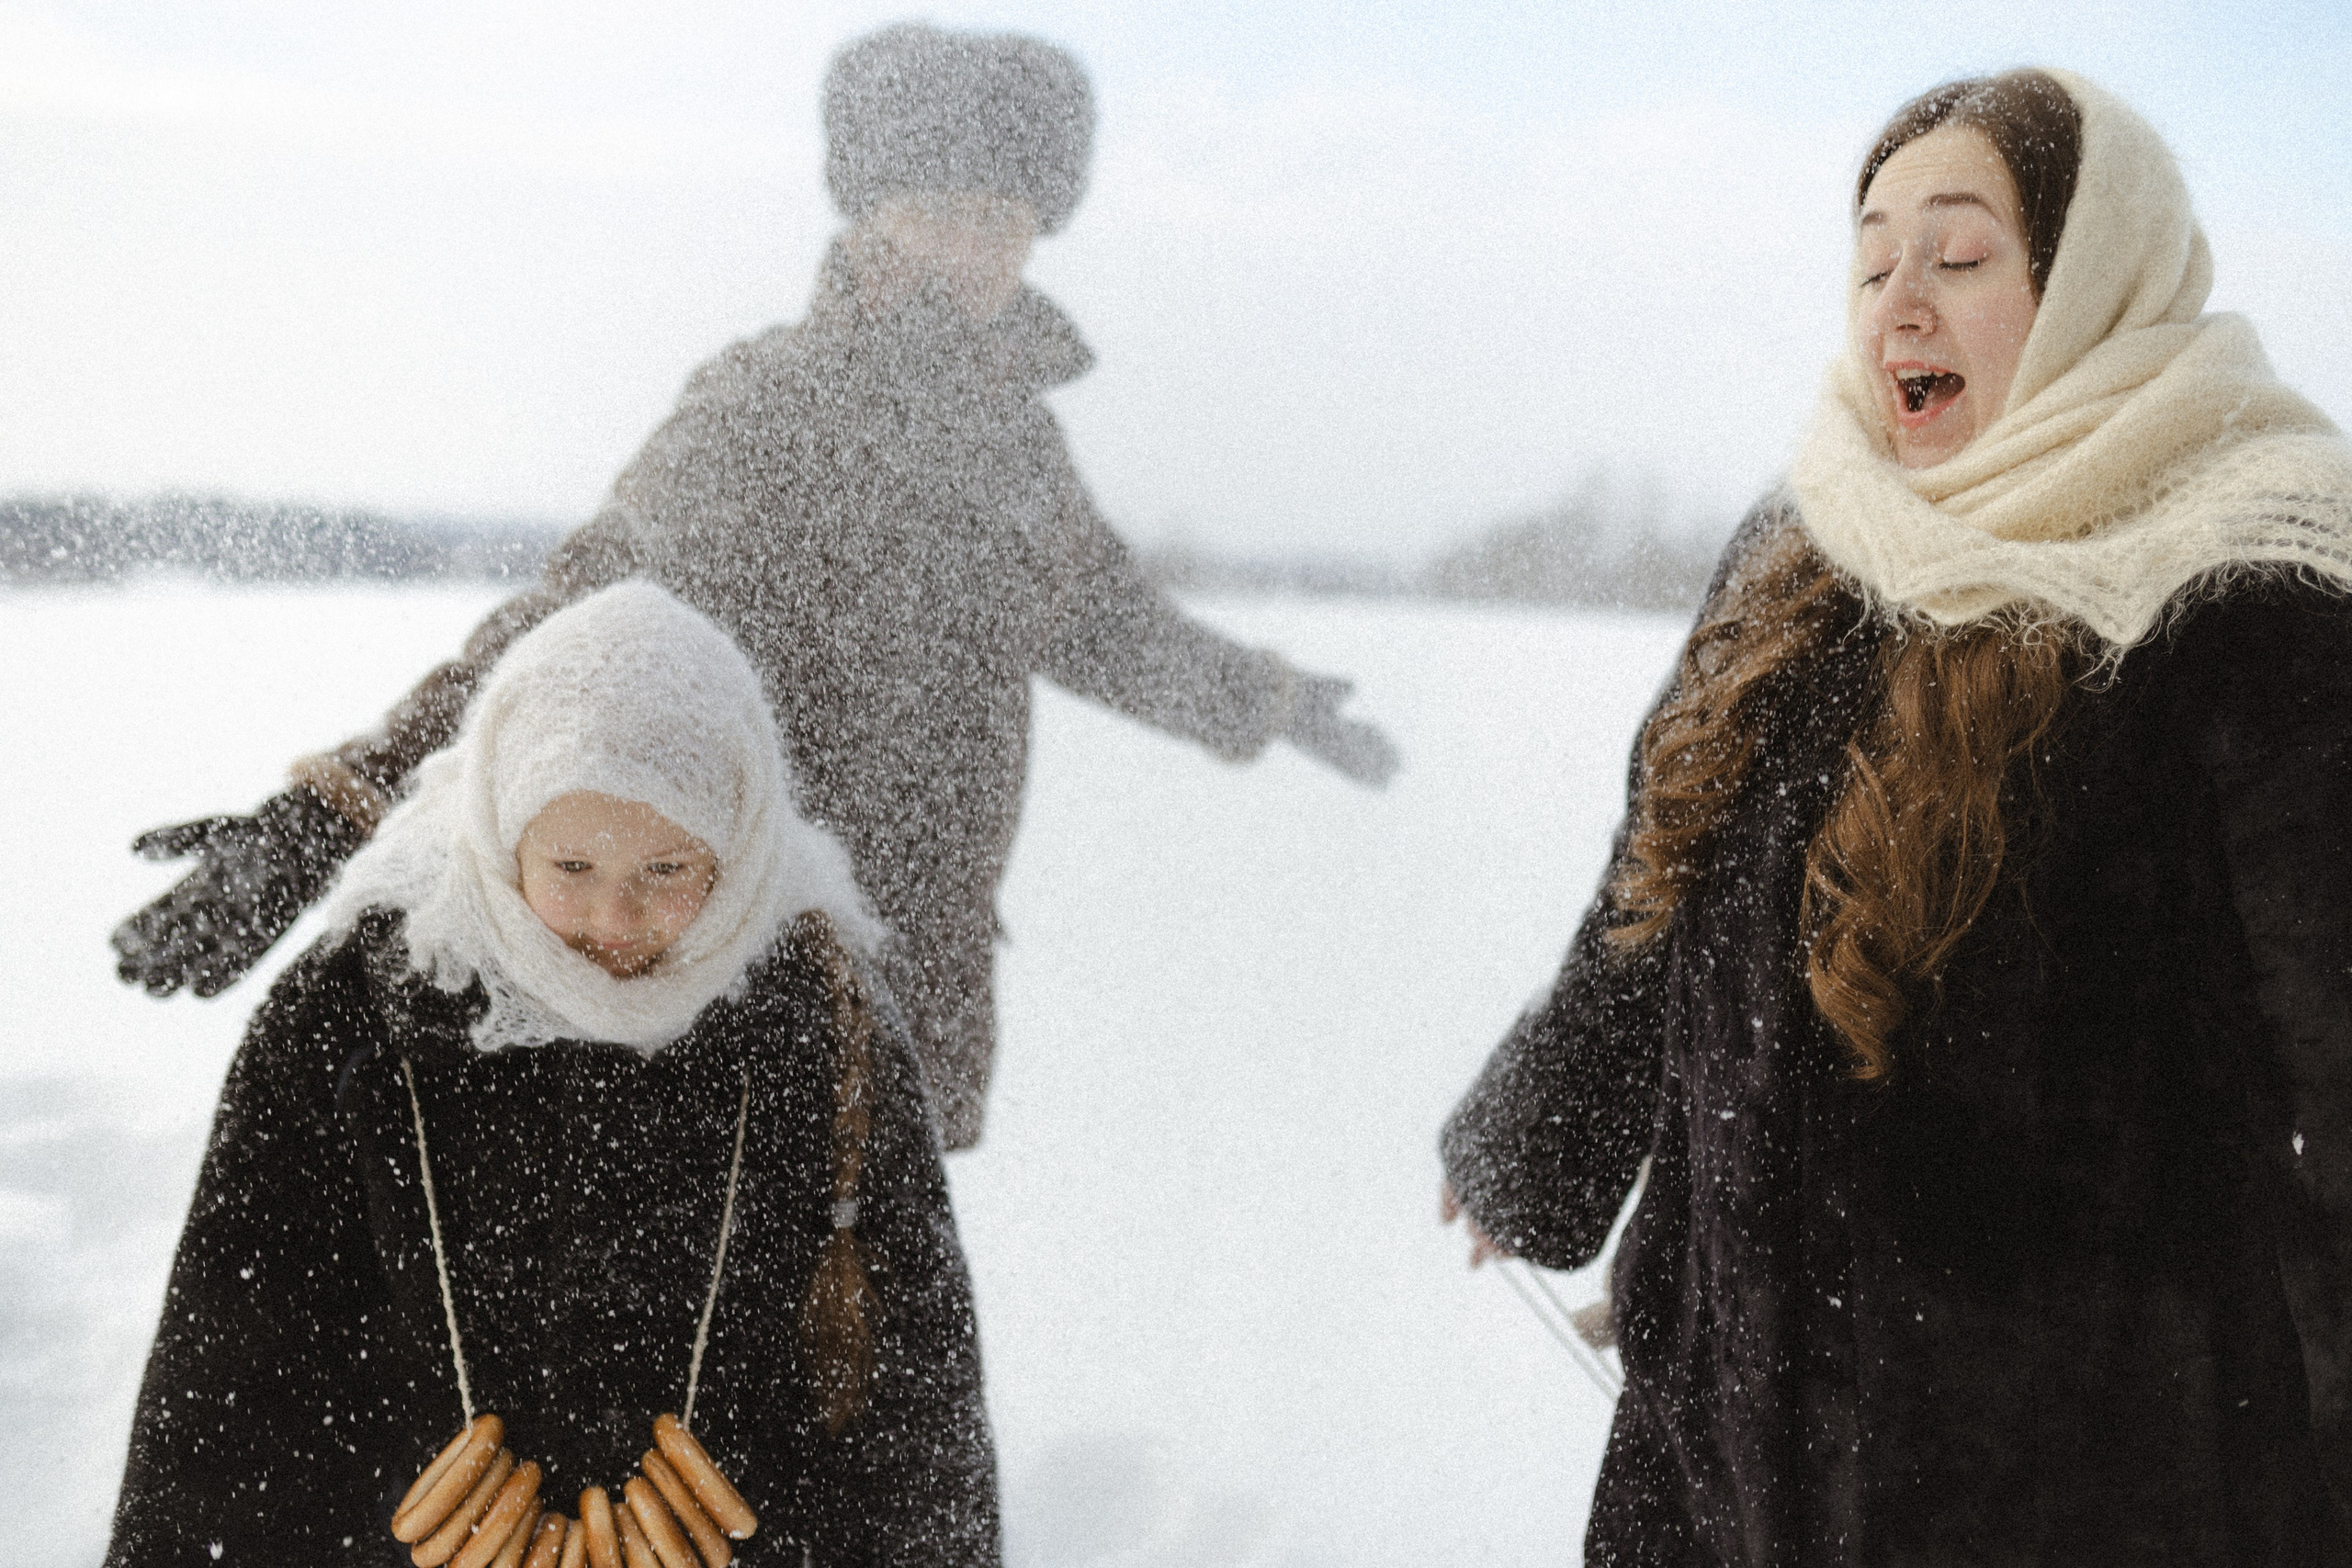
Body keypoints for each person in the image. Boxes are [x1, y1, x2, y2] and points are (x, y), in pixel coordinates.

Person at [107, 21, 1398, 1151]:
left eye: (1003, 217)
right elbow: (568, 628)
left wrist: (1267, 699)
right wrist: (335, 809)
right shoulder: (772, 407)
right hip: (736, 967)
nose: (973, 249)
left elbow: (1103, 618)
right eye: (938, 210)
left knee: (871, 1358)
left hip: (919, 974)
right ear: (867, 214)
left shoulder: (1017, 446)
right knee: (729, 1359)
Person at [1440, 69, 2352, 1562]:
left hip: (2082, 1480)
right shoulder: (1812, 537)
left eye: (1961, 253)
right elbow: (1660, 875)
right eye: (1873, 260)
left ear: (2089, 282)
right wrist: (1547, 1136)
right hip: (1724, 1437)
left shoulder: (2255, 586)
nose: (1899, 304)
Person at [107, 583, 1001, 1567]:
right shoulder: (355, 1012)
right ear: (501, 829)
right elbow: (237, 1375)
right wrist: (405, 1513)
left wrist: (745, 1538)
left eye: (666, 872)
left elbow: (912, 1428)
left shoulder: (818, 1022)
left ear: (738, 845)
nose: (614, 925)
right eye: (570, 868)